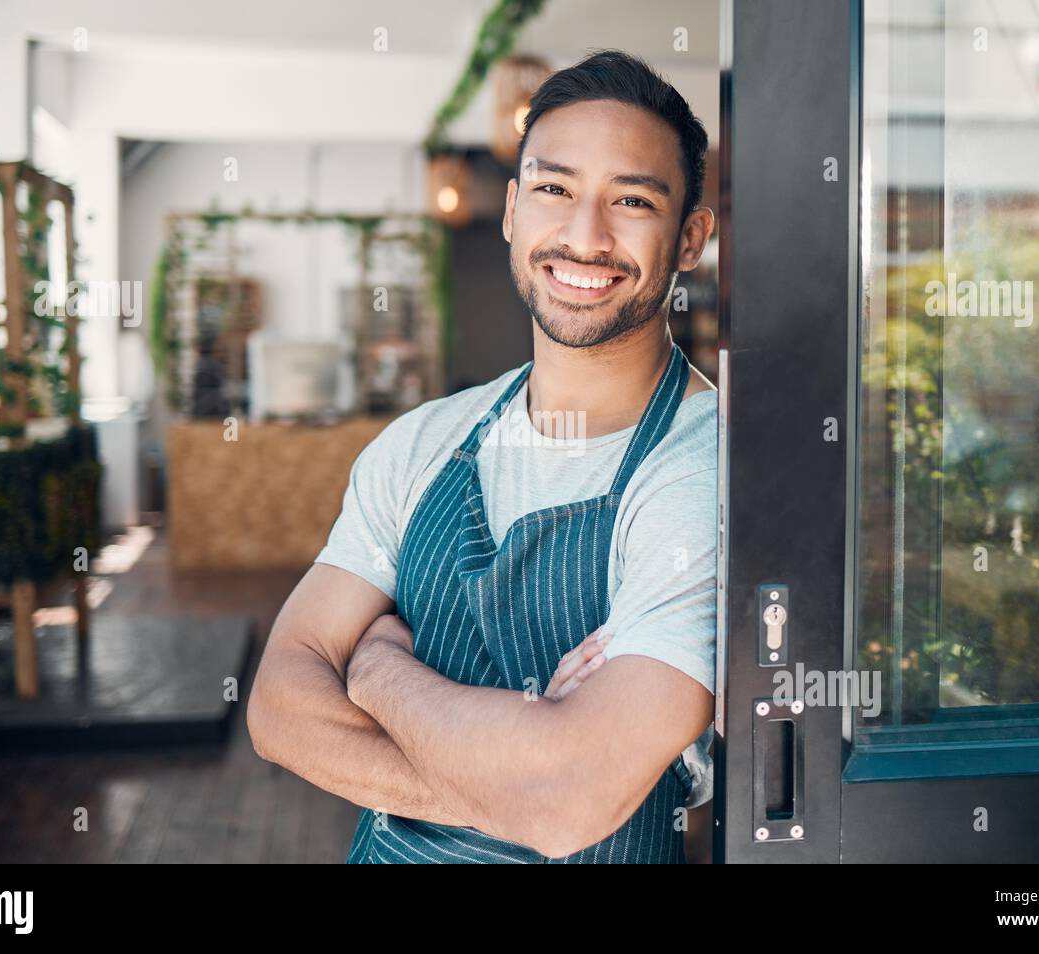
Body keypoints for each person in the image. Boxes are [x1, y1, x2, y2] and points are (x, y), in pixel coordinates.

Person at [248, 48, 718, 863]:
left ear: (689, 240)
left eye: (632, 200)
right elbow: (278, 707)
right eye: (553, 188)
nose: (584, 235)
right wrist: (511, 783)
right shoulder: (422, 443)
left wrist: (379, 670)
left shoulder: (707, 473)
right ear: (510, 210)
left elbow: (574, 800)